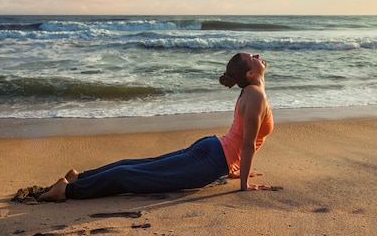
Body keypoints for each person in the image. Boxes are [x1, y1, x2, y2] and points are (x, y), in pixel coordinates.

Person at [39, 52, 274, 202]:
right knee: (135, 176)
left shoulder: (252, 93)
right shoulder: (255, 96)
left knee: (141, 166)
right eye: (252, 56)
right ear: (250, 73)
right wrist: (245, 185)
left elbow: (241, 137)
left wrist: (233, 168)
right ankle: (68, 190)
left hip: (213, 152)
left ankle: (79, 177)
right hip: (212, 158)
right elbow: (247, 143)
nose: (257, 54)